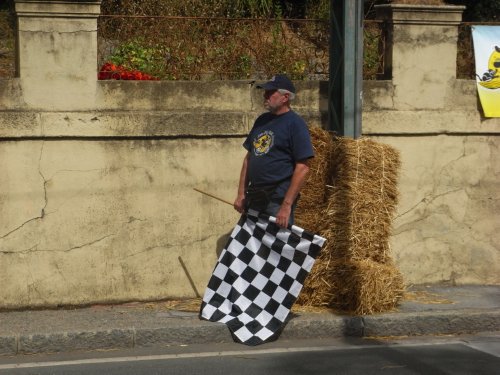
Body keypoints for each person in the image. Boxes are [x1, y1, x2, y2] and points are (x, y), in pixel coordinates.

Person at [233, 74, 314, 228]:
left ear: (285, 97)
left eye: (271, 92)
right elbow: (248, 159)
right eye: (266, 92)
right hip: (255, 197)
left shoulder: (295, 124)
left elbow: (302, 167)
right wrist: (241, 194)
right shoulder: (262, 120)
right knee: (254, 247)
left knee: (277, 248)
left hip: (277, 201)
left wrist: (286, 205)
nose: (265, 95)